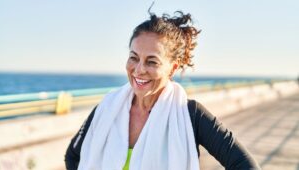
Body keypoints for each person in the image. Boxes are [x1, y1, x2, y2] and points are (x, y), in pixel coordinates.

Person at [65, 10, 261, 170]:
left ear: (172, 68)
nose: (139, 69)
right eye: (134, 57)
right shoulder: (108, 106)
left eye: (152, 61)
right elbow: (73, 156)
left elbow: (245, 166)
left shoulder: (191, 115)